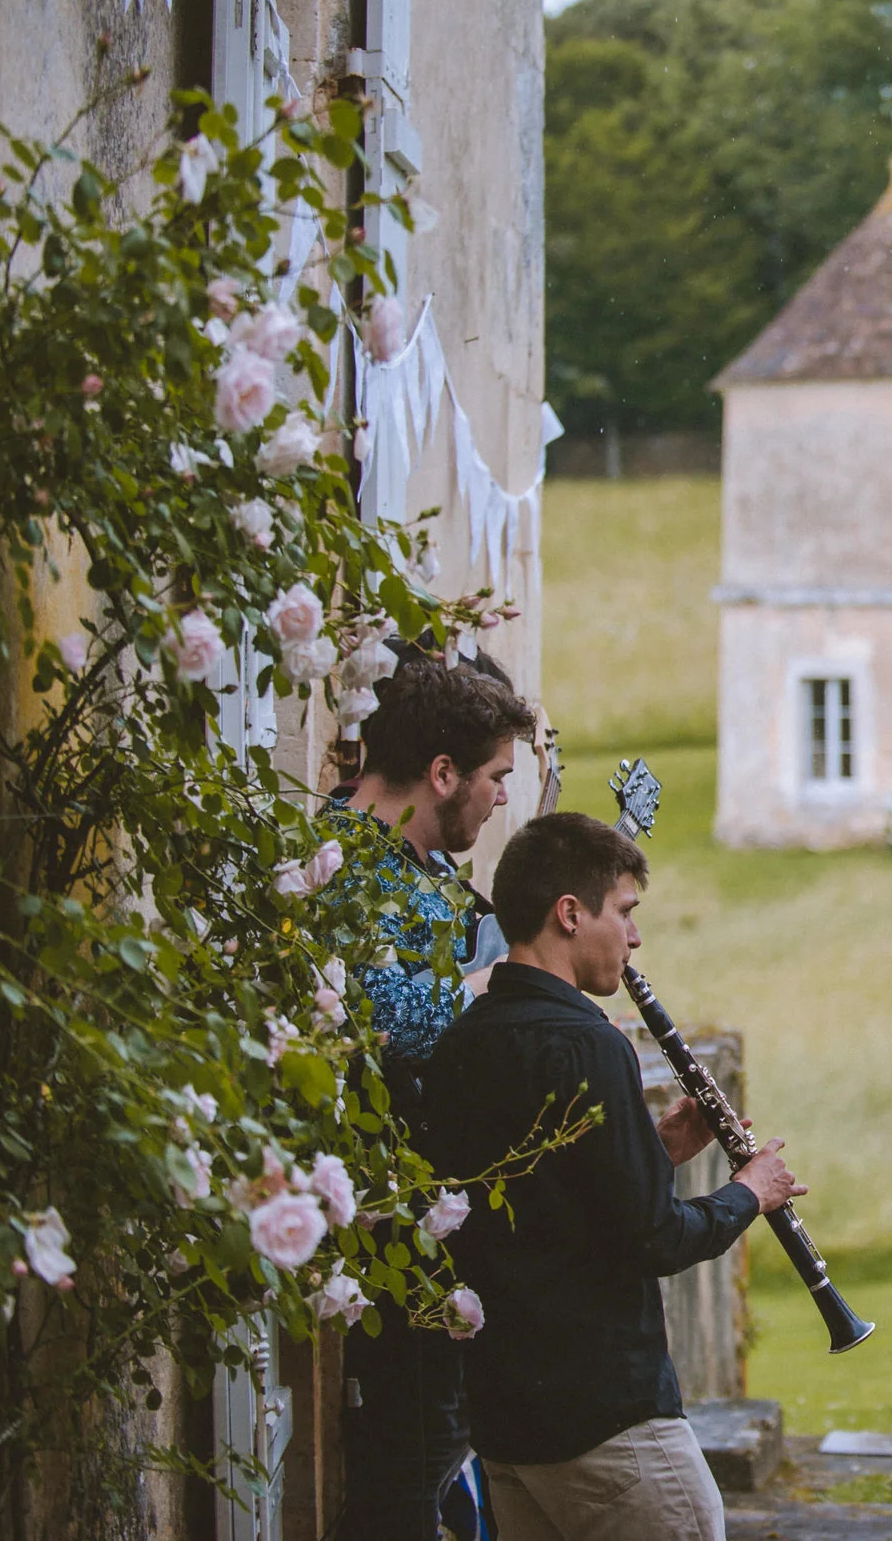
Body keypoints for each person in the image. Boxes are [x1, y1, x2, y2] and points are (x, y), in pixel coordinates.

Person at [423, 812, 800, 1541]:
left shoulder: (461, 1042)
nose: (634, 938)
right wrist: (747, 1194)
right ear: (570, 914)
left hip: (508, 1426)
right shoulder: (589, 1045)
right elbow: (652, 1239)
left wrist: (653, 1151)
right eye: (624, 913)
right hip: (608, 1422)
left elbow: (546, 1209)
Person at [326, 647, 538, 1540]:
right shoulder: (342, 862)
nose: (501, 798)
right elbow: (375, 1019)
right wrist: (489, 992)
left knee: (439, 1465)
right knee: (404, 1485)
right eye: (494, 776)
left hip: (442, 1234)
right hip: (384, 1238)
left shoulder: (429, 874)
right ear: (441, 771)